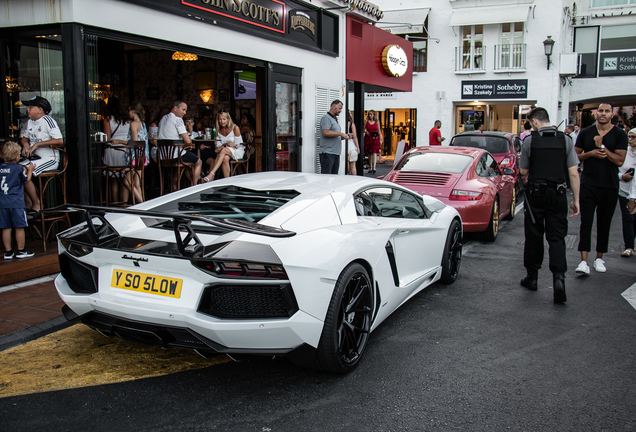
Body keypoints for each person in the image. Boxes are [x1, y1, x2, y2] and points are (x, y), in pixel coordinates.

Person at [519, 107, 580, 304]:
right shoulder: (566, 140)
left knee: (534, 236)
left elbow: (523, 170)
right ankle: (559, 281)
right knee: (557, 238)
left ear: (535, 122)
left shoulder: (530, 140)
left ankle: (532, 277)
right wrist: (576, 200)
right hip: (559, 194)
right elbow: (573, 173)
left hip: (536, 195)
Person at [574, 102, 628, 275]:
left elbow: (620, 160)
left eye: (607, 111)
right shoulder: (586, 132)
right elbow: (575, 156)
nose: (603, 114)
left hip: (610, 184)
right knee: (586, 222)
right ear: (596, 113)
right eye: (601, 111)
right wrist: (591, 153)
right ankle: (583, 261)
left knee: (604, 223)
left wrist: (602, 147)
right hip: (589, 183)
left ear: (612, 114)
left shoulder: (620, 134)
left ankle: (599, 258)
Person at [19, 96, 63, 218]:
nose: (27, 109)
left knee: (25, 170)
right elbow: (24, 137)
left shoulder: (47, 120)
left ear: (40, 110)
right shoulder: (30, 122)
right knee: (16, 170)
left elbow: (59, 140)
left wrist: (37, 144)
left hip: (49, 158)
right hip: (34, 158)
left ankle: (37, 203)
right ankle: (27, 203)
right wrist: (25, 145)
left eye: (30, 107)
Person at [1, 141, 35, 259]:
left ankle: (8, 252)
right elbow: (26, 180)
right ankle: (21, 250)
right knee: (19, 227)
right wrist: (30, 170)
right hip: (16, 203)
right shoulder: (18, 168)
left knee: (6, 228)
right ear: (17, 157)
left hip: (2, 203)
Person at [157, 100, 202, 188]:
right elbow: (188, 141)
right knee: (198, 162)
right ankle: (194, 186)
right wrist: (188, 145)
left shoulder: (163, 119)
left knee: (184, 162)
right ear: (175, 108)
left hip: (163, 157)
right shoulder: (178, 120)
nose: (184, 113)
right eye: (183, 110)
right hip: (176, 156)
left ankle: (175, 185)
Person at [201, 110, 245, 182]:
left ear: (228, 119)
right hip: (224, 152)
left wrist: (225, 147)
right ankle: (226, 181)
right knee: (225, 158)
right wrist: (226, 144)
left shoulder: (235, 127)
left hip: (237, 151)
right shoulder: (218, 130)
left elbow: (237, 145)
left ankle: (212, 173)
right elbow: (217, 148)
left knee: (224, 150)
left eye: (224, 119)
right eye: (220, 119)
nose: (222, 121)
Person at [102, 97, 131, 203]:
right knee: (124, 178)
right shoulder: (127, 120)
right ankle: (124, 203)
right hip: (124, 151)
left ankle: (115, 203)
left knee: (113, 180)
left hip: (113, 150)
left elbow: (107, 138)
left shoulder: (108, 119)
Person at [121, 101, 148, 204]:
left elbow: (135, 142)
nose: (128, 113)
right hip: (142, 156)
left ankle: (142, 204)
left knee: (126, 182)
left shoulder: (133, 124)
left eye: (128, 110)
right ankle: (142, 205)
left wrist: (118, 142)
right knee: (136, 184)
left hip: (135, 157)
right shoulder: (143, 124)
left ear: (132, 111)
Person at [618, 128, 636, 257]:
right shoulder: (625, 153)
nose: (630, 140)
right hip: (624, 191)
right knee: (627, 218)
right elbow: (616, 169)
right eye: (629, 137)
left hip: (634, 193)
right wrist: (621, 177)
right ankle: (629, 246)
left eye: (633, 137)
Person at [319, 100, 349, 175]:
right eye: (339, 108)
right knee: (326, 177)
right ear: (333, 106)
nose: (340, 111)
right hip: (328, 153)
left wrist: (344, 136)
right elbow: (325, 132)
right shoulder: (326, 118)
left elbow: (334, 135)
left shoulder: (335, 119)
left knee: (334, 177)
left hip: (335, 153)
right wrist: (340, 133)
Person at [347, 110, 360, 176]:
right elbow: (354, 137)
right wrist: (357, 147)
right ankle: (353, 178)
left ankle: (347, 176)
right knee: (353, 165)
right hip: (351, 145)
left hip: (344, 144)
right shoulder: (352, 124)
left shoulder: (341, 123)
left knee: (346, 164)